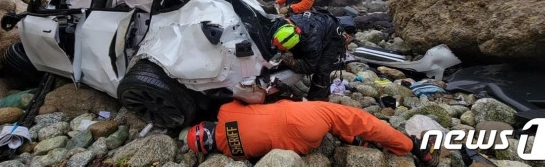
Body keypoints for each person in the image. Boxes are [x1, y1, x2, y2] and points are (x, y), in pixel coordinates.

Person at [184, 99, 439, 167]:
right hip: (301, 117)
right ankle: (412, 147)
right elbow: (254, 97)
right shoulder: (227, 111)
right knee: (356, 118)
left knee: (334, 127)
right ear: (206, 125)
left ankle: (356, 141)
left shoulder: (234, 154)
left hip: (305, 144)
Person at [270, 11, 344, 100]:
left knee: (322, 70)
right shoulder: (282, 25)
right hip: (316, 24)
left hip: (331, 35)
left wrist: (291, 62)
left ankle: (316, 100)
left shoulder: (312, 44)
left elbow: (309, 67)